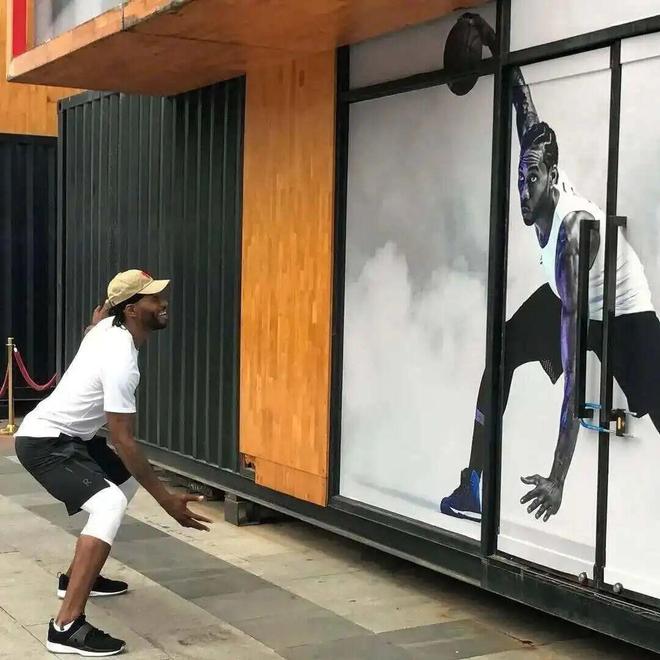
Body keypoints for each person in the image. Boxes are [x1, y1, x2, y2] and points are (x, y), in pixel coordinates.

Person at [440, 13, 660, 523]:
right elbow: (521, 97)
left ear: (553, 176)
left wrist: (558, 478)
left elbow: (573, 377)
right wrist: (488, 37)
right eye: (521, 178)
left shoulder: (571, 242)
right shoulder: (534, 159)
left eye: (532, 180)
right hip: (576, 296)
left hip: (625, 313)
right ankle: (473, 485)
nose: (523, 189)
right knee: (502, 349)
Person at [15, 269, 213, 656]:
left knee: (124, 481)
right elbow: (123, 440)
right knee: (110, 504)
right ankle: (65, 626)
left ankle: (76, 578)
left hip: (71, 437)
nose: (163, 304)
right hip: (45, 442)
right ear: (132, 310)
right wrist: (166, 500)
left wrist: (102, 313)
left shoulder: (108, 327)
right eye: (153, 299)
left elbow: (97, 319)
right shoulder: (121, 358)